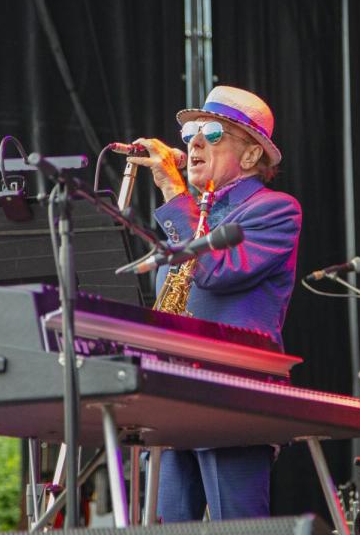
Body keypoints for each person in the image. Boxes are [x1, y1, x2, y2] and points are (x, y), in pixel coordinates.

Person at [127, 85, 302, 521]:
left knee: (237, 528)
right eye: (190, 134)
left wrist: (171, 189)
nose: (195, 142)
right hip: (170, 398)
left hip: (234, 398)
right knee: (164, 528)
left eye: (213, 133)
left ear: (249, 157)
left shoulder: (274, 210)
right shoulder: (188, 216)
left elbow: (215, 271)